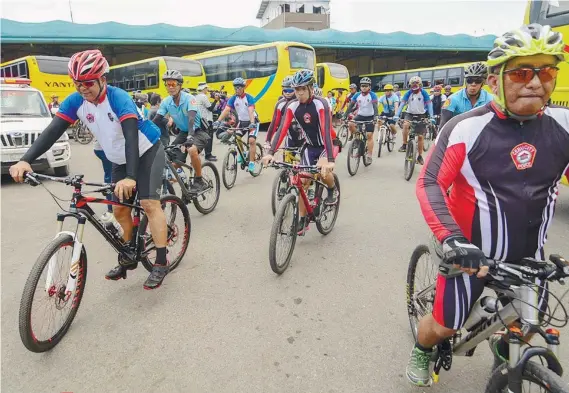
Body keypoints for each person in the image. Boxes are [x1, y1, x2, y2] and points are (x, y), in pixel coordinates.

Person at [406, 24, 569, 387]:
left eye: (547, 71)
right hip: (469, 257)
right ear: (495, 81)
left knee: (528, 325)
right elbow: (430, 182)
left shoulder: (564, 125)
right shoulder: (466, 128)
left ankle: (504, 352)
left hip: (530, 259)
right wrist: (451, 239)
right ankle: (421, 348)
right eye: (522, 72)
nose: (535, 82)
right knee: (444, 326)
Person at [9, 49, 170, 290]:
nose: (83, 88)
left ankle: (160, 261)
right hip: (119, 157)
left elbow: (131, 138)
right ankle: (129, 255)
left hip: (146, 150)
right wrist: (26, 160)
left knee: (149, 204)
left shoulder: (118, 98)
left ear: (102, 79)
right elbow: (53, 131)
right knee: (119, 211)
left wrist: (130, 177)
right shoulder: (76, 102)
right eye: (77, 84)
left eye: (88, 82)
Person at [262, 69, 339, 235]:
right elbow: (282, 128)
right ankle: (303, 219)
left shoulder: (321, 103)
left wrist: (329, 159)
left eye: (303, 89)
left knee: (324, 172)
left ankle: (333, 189)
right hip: (310, 147)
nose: (299, 93)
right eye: (297, 89)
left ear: (311, 88)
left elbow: (326, 130)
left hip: (328, 144)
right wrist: (271, 151)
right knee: (302, 181)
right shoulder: (292, 106)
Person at [151, 70, 210, 194]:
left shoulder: (189, 98)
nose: (170, 87)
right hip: (183, 132)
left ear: (180, 85)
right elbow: (156, 119)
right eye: (167, 84)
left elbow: (191, 119)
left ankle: (199, 181)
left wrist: (190, 136)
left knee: (192, 150)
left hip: (197, 131)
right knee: (170, 157)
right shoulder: (167, 101)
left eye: (173, 84)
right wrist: (142, 132)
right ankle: (183, 182)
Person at [214, 77, 259, 172]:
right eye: (235, 88)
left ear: (243, 88)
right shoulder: (233, 98)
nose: (237, 89)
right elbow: (226, 110)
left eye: (239, 87)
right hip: (242, 122)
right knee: (237, 138)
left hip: (252, 121)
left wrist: (251, 123)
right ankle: (243, 154)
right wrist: (218, 121)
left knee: (251, 141)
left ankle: (251, 163)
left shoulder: (249, 97)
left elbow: (251, 111)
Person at [394, 76, 435, 165]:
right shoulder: (408, 93)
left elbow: (429, 105)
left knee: (420, 136)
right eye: (413, 84)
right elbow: (402, 104)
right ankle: (404, 144)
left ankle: (420, 156)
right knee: (405, 125)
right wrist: (396, 115)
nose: (414, 85)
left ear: (420, 85)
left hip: (421, 114)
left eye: (416, 84)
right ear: (410, 85)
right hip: (409, 114)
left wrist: (431, 116)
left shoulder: (424, 93)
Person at [439, 62, 494, 128]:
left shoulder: (491, 99)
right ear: (465, 81)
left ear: (483, 83)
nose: (473, 84)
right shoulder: (453, 99)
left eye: (478, 81)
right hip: (459, 133)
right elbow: (443, 124)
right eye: (469, 80)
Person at [344, 77, 378, 163]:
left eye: (366, 86)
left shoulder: (372, 95)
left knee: (369, 136)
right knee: (350, 124)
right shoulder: (357, 95)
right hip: (360, 115)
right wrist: (345, 115)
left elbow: (375, 107)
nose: (364, 87)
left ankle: (369, 155)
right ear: (360, 87)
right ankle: (357, 139)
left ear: (369, 87)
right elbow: (351, 106)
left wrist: (375, 117)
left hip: (370, 116)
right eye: (362, 86)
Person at [265, 76, 301, 150]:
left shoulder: (301, 101)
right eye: (285, 90)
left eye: (290, 91)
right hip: (290, 137)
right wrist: (268, 140)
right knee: (286, 158)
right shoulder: (280, 104)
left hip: (304, 139)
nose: (287, 93)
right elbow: (274, 124)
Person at [196, 82, 219, 161]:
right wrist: (216, 101)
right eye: (206, 88)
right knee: (209, 137)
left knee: (204, 136)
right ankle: (208, 155)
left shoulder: (197, 96)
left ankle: (204, 153)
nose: (207, 90)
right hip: (206, 120)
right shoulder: (203, 97)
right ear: (204, 89)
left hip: (200, 119)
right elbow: (210, 108)